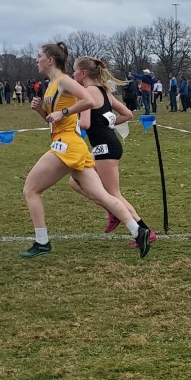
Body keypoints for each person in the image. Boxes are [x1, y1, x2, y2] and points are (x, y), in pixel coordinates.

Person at [21, 43, 152, 259]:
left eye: (39, 56)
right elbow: (53, 121)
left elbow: (88, 101)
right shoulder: (52, 84)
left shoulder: (64, 80)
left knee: (30, 190)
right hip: (73, 145)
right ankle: (139, 231)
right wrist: (41, 111)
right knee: (102, 194)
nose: (37, 60)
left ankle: (42, 241)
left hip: (67, 146)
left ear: (50, 60)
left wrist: (63, 111)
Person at [71, 55, 149, 246]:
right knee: (75, 181)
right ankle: (113, 210)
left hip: (105, 147)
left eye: (73, 71)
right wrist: (108, 123)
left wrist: (66, 121)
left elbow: (86, 124)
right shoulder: (103, 91)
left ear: (82, 74)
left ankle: (144, 231)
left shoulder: (87, 92)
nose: (71, 75)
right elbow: (127, 114)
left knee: (114, 194)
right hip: (104, 145)